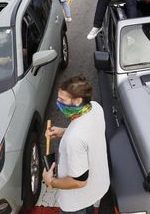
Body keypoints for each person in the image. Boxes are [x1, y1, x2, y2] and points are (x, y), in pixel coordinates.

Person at [43, 76, 110, 214]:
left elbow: (79, 181)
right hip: (96, 187)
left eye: (62, 100)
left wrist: (51, 181)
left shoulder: (74, 139)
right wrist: (63, 132)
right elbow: (88, 134)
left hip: (77, 203)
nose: (58, 103)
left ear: (78, 101)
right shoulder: (95, 108)